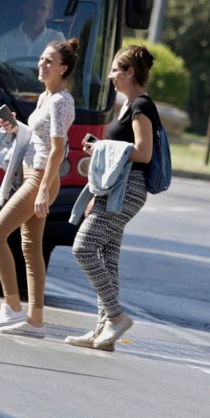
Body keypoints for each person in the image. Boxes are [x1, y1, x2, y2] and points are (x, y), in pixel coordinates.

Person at [0, 38, 80, 338]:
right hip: (29, 174)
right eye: (41, 59)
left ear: (63, 68)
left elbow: (57, 150)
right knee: (30, 248)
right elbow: (36, 138)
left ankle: (12, 305)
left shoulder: (62, 101)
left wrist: (42, 191)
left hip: (40, 179)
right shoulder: (44, 98)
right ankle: (35, 321)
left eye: (49, 61)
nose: (42, 64)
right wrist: (16, 128)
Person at [65, 44, 159, 351]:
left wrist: (102, 148)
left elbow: (144, 152)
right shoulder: (128, 104)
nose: (110, 76)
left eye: (115, 69)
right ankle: (102, 332)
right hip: (114, 186)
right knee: (108, 257)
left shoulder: (141, 106)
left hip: (128, 187)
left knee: (83, 247)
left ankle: (116, 317)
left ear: (130, 72)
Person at [0, 0, 65, 62]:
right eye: (33, 6)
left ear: (50, 14)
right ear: (25, 8)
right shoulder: (5, 40)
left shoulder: (57, 39)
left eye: (43, 8)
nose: (38, 11)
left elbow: (62, 68)